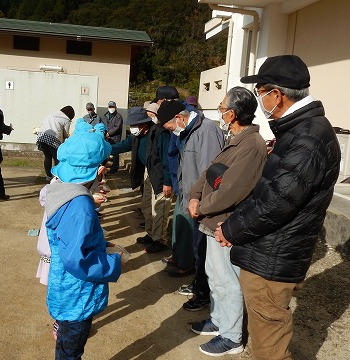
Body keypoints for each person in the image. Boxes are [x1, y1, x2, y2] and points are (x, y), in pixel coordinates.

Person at [215, 55, 341, 360]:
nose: (259, 98)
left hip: (274, 257)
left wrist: (231, 228)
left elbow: (276, 202)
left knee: (270, 342)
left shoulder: (308, 138)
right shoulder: (300, 130)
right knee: (266, 333)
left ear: (277, 94)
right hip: (272, 250)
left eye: (261, 91)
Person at [187, 87, 267, 356]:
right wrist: (195, 195)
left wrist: (203, 206)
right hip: (212, 219)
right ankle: (219, 321)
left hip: (226, 223)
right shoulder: (234, 138)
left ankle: (232, 337)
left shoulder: (252, 145)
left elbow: (233, 189)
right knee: (215, 276)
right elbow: (210, 171)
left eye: (222, 108)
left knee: (227, 280)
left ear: (232, 114)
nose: (220, 112)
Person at [45, 122, 122, 360]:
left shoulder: (63, 191)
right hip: (77, 296)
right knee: (71, 351)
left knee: (66, 347)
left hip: (65, 290)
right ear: (98, 169)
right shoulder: (81, 206)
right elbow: (77, 259)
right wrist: (114, 263)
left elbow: (72, 242)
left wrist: (101, 245)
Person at [157, 100, 224, 280]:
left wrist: (198, 198)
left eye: (170, 127)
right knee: (187, 234)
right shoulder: (187, 131)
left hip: (199, 199)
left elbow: (210, 171)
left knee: (198, 241)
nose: (172, 131)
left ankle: (197, 280)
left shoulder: (207, 130)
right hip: (187, 191)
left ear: (179, 118)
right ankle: (188, 266)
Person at [111, 106, 172, 253]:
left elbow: (169, 160)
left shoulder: (160, 134)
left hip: (161, 176)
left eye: (134, 125)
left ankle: (160, 240)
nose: (132, 128)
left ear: (144, 123)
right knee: (147, 207)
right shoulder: (137, 136)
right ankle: (151, 234)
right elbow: (123, 145)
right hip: (148, 173)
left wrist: (168, 182)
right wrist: (103, 148)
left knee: (160, 209)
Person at [36, 106, 75, 182]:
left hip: (42, 136)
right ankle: (57, 177)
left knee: (47, 157)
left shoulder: (51, 114)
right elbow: (66, 133)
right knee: (57, 158)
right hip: (53, 138)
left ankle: (48, 176)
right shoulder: (66, 119)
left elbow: (42, 124)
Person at [104, 101, 123, 174]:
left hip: (115, 138)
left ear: (115, 107)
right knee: (107, 153)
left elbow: (117, 127)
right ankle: (107, 167)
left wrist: (109, 133)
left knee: (115, 153)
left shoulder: (118, 116)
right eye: (110, 107)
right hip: (106, 138)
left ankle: (114, 168)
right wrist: (105, 134)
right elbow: (103, 125)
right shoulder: (105, 115)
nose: (111, 108)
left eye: (113, 107)